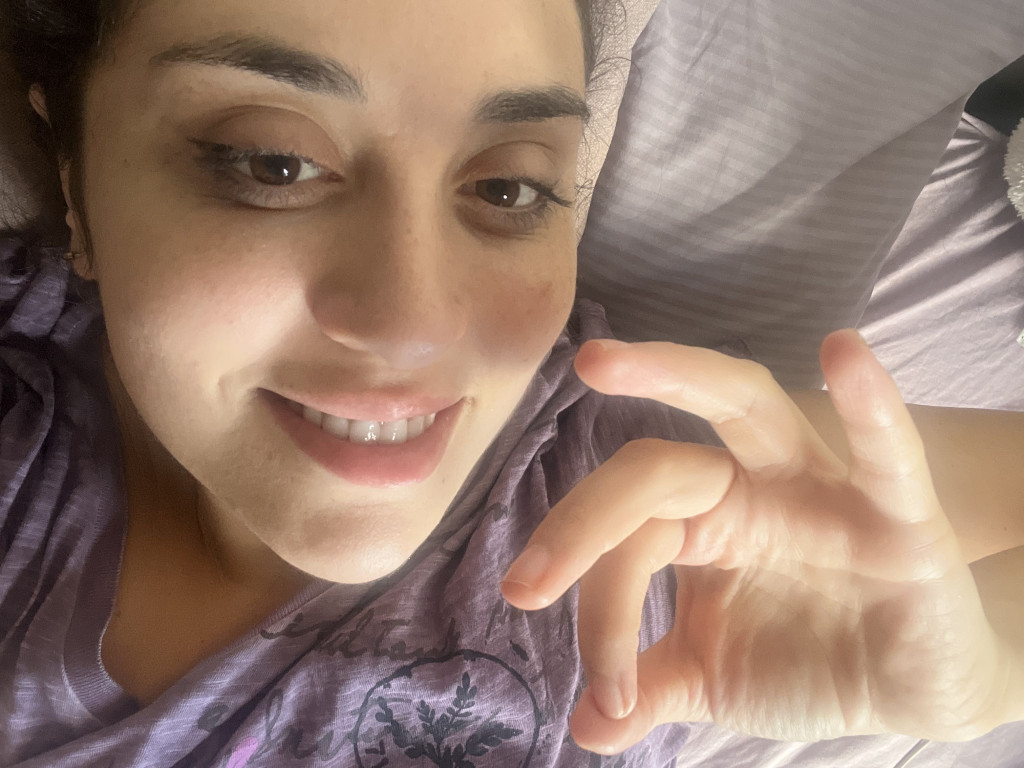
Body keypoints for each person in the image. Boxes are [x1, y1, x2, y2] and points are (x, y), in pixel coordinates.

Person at [1, 2, 1022, 768]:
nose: (413, 324)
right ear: (73, 175)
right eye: (272, 165)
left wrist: (986, 676)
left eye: (507, 186)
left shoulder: (637, 488)